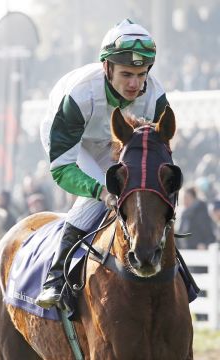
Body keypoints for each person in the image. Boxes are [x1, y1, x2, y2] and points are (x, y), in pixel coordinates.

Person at [36, 19, 169, 309]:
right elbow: (62, 169)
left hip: (115, 141)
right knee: (99, 199)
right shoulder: (79, 96)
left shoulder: (156, 97)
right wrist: (101, 192)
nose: (135, 84)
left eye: (141, 74)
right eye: (126, 74)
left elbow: (160, 151)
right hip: (76, 142)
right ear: (107, 68)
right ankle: (55, 277)